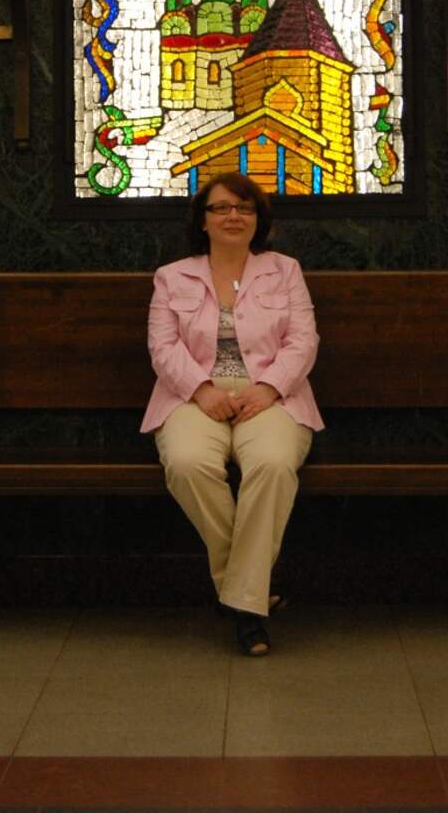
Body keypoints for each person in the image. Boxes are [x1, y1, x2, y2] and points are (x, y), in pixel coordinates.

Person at [140, 172, 323, 655]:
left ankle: (241, 604)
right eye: (221, 208)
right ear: (202, 220)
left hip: (273, 396)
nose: (233, 216)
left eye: (244, 208)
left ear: (258, 219)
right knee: (187, 464)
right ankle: (249, 591)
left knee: (272, 465)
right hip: (191, 397)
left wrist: (269, 387)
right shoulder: (172, 276)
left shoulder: (285, 270)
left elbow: (303, 340)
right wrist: (200, 389)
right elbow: (162, 346)